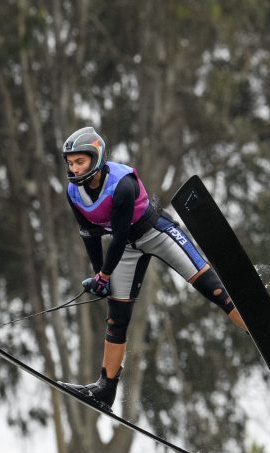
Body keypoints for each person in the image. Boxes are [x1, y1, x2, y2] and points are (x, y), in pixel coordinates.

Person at [56, 126, 247, 410]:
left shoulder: (122, 183)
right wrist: (100, 276)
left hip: (156, 232)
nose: (74, 168)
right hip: (127, 249)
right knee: (116, 318)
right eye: (70, 163)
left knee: (213, 288)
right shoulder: (74, 192)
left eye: (80, 161)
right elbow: (90, 235)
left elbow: (118, 236)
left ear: (96, 157)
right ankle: (105, 389)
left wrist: (105, 274)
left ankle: (254, 328)